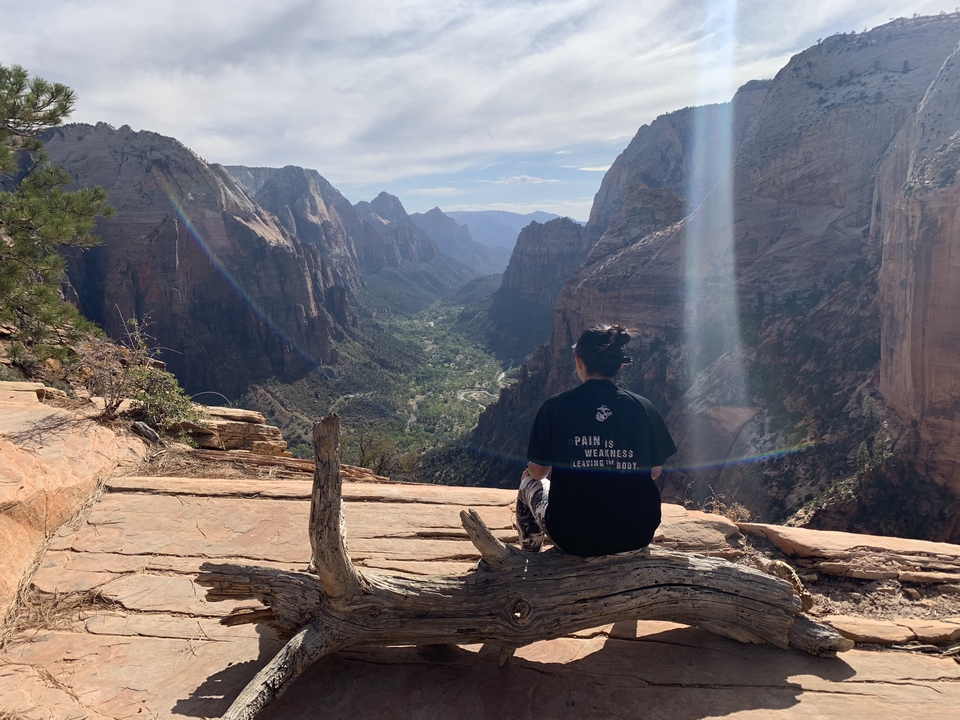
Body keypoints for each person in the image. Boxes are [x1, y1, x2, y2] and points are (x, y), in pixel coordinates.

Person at [515, 324, 677, 556]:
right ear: (620, 365)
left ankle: (528, 557)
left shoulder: (555, 407)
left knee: (527, 484)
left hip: (571, 537)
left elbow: (539, 472)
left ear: (579, 361)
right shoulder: (644, 408)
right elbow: (653, 472)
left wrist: (528, 475)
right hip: (636, 535)